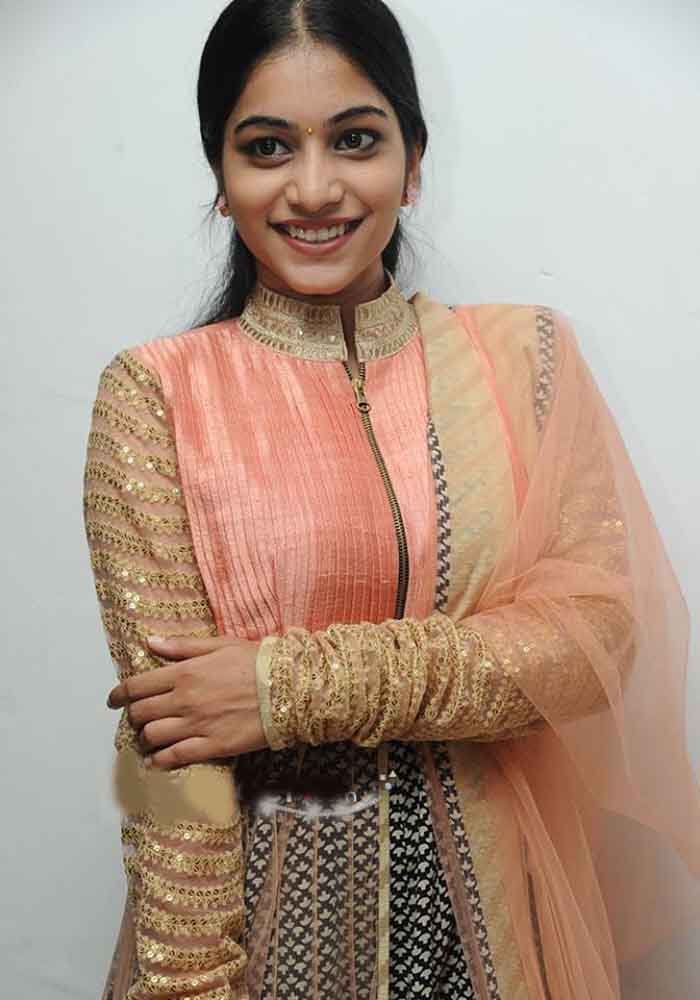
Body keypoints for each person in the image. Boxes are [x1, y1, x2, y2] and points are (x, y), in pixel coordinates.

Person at [82, 1, 700, 998]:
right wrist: (191, 982)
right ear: (220, 175)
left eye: (356, 139)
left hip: (497, 936)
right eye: (267, 147)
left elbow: (590, 639)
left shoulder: (525, 363)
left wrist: (283, 689)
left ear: (413, 162)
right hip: (271, 943)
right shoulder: (157, 395)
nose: (313, 187)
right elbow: (175, 754)